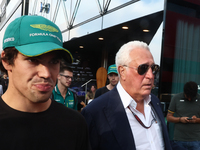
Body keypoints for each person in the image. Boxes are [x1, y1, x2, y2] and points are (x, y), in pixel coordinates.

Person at [0, 15, 91, 149]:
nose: (46, 73)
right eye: (33, 60)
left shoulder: (74, 123)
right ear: (7, 61)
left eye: (54, 62)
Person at [81, 41, 177, 150]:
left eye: (154, 69)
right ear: (122, 71)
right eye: (143, 68)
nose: (151, 76)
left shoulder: (155, 102)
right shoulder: (95, 112)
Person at [167, 81, 200, 150]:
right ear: (184, 92)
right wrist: (180, 119)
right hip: (179, 140)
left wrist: (196, 120)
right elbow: (168, 117)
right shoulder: (176, 98)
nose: (189, 99)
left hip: (197, 140)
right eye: (187, 96)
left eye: (192, 97)